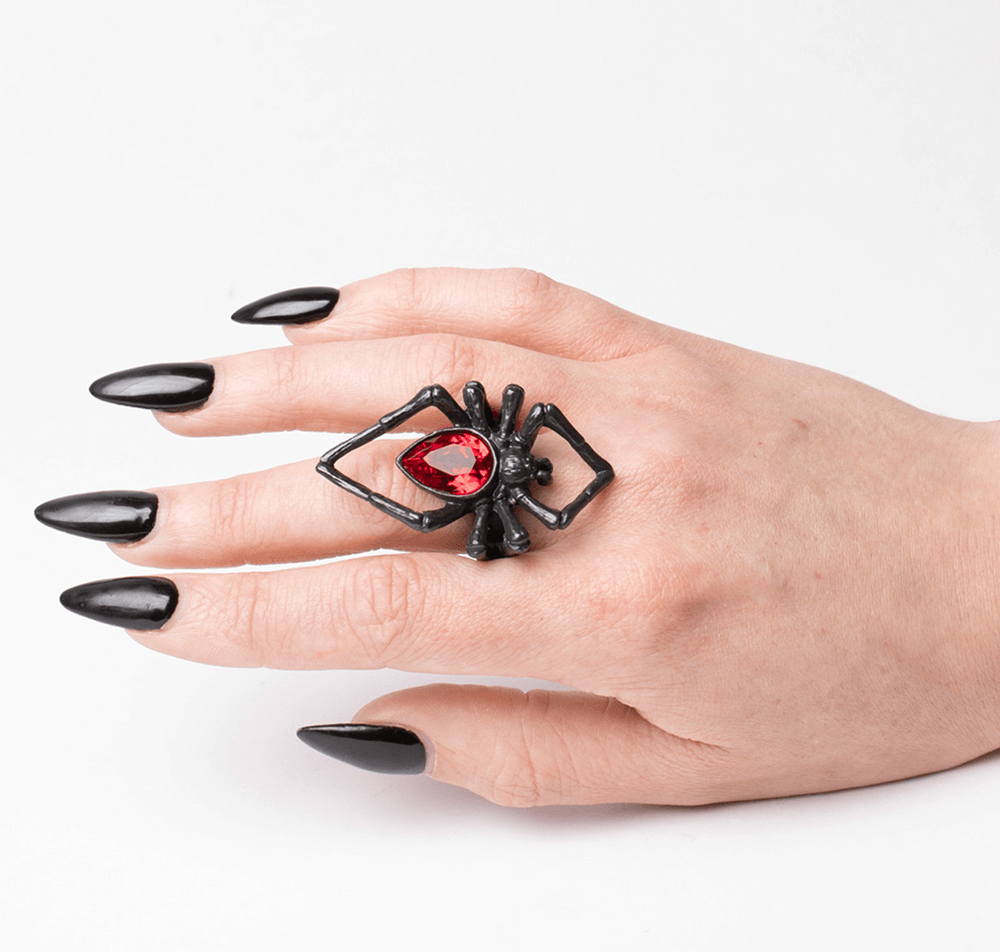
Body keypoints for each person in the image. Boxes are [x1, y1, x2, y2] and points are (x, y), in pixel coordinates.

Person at [34, 268, 1000, 807]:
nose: (548, 477)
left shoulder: (515, 487)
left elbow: (527, 503)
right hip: (478, 459)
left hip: (482, 467)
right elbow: (465, 440)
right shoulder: (505, 451)